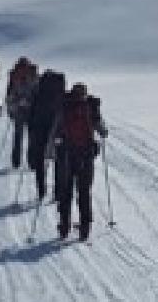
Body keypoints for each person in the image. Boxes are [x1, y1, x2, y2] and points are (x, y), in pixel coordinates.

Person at [52, 83, 107, 240]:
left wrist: (51, 150)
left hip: (67, 156)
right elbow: (103, 130)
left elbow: (56, 130)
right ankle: (84, 228)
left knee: (66, 192)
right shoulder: (91, 107)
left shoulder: (65, 107)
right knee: (84, 192)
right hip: (86, 155)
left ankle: (64, 227)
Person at [24, 69, 68, 197]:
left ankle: (41, 190)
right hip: (58, 129)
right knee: (59, 160)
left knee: (40, 159)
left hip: (39, 128)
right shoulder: (60, 93)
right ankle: (58, 191)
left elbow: (31, 113)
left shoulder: (37, 92)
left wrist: (30, 128)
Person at [4, 58, 39, 168]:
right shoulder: (34, 76)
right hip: (32, 110)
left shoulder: (14, 77)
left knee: (18, 137)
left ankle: (16, 161)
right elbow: (38, 93)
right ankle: (32, 161)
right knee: (32, 137)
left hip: (18, 110)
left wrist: (12, 110)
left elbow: (9, 95)